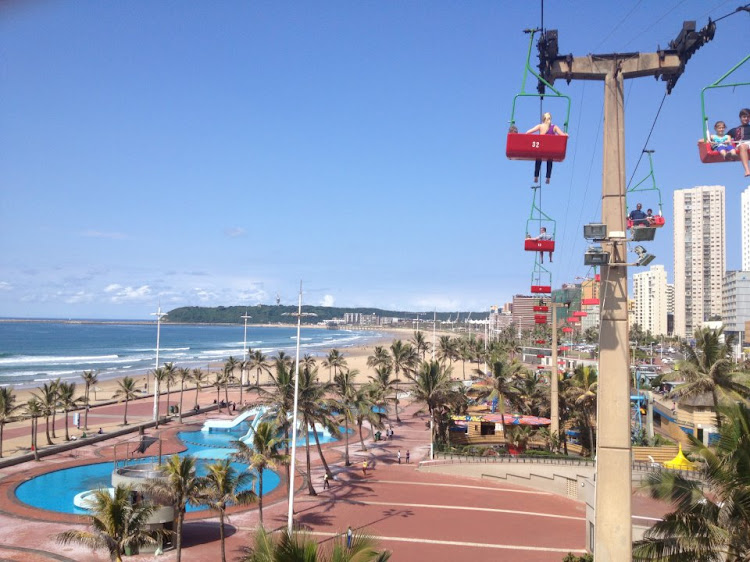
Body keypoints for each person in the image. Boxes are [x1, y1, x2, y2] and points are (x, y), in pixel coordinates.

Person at [525, 112, 567, 184]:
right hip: (550, 148)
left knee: (538, 160)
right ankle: (548, 178)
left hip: (541, 147)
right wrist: (566, 134)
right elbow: (563, 135)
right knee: (550, 160)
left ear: (543, 119)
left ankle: (536, 176)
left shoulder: (540, 126)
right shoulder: (554, 127)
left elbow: (528, 132)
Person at [727, 108, 750, 176]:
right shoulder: (734, 130)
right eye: (744, 117)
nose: (746, 118)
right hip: (741, 144)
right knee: (743, 146)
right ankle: (747, 170)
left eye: (748, 117)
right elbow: (721, 138)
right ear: (740, 118)